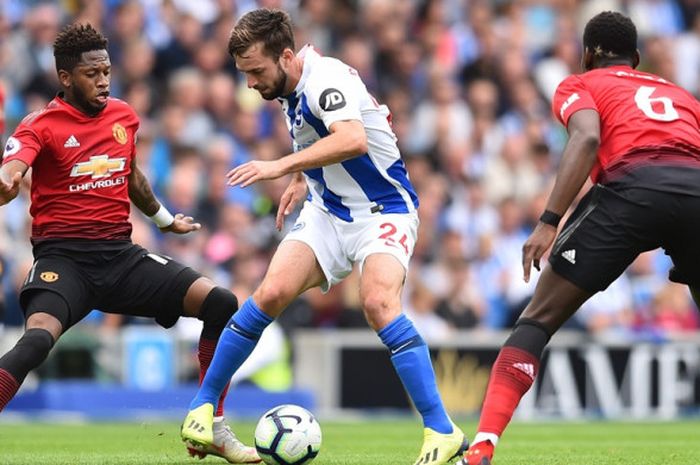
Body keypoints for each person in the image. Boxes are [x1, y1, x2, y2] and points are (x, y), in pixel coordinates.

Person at [181, 8, 468, 465]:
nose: (251, 84)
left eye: (255, 72)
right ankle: (203, 411)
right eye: (244, 74)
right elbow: (315, 134)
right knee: (270, 291)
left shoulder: (324, 79)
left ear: (287, 56)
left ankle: (441, 429)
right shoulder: (289, 84)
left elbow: (352, 139)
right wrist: (302, 180)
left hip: (382, 210)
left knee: (377, 302)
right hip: (327, 208)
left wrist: (279, 168)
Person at [0, 24, 260, 465]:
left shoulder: (123, 115)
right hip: (64, 260)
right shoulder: (39, 126)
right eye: (92, 74)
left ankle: (210, 424)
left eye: (107, 71)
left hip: (122, 257)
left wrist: (164, 220)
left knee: (220, 302)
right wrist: (8, 182)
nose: (103, 80)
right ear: (66, 78)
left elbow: (131, 176)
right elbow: (13, 167)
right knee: (37, 341)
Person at [462, 11, 700, 465]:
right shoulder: (680, 94)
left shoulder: (580, 84)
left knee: (537, 319)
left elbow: (587, 137)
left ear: (588, 53)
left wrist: (549, 221)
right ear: (636, 57)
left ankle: (482, 447)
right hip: (696, 188)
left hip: (634, 184)